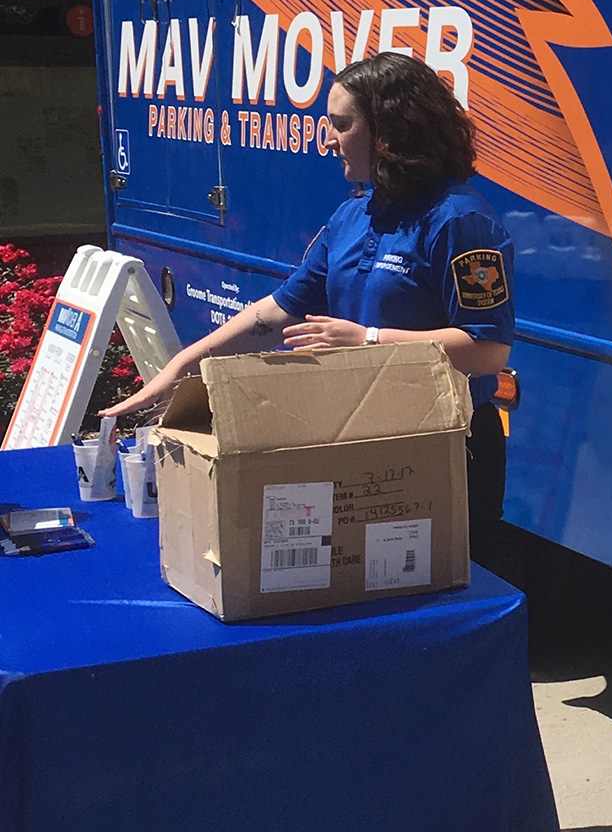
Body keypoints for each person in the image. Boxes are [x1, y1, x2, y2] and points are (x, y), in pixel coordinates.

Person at [105, 50, 516, 565]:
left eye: (341, 124)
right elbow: (278, 312)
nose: (328, 140)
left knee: (441, 591)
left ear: (390, 131)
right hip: (364, 439)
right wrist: (183, 367)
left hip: (448, 445)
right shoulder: (352, 216)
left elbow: (487, 350)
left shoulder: (460, 221)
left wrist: (367, 341)